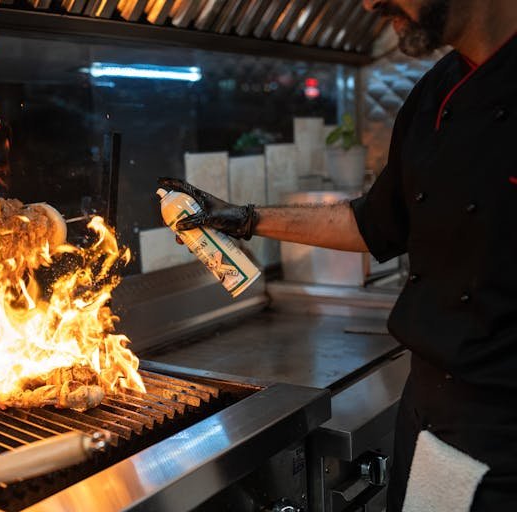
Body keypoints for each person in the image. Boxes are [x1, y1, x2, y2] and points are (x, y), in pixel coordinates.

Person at [159, 1, 517, 510]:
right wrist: (245, 218)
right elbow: (373, 222)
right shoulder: (435, 92)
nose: (369, 3)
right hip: (430, 418)